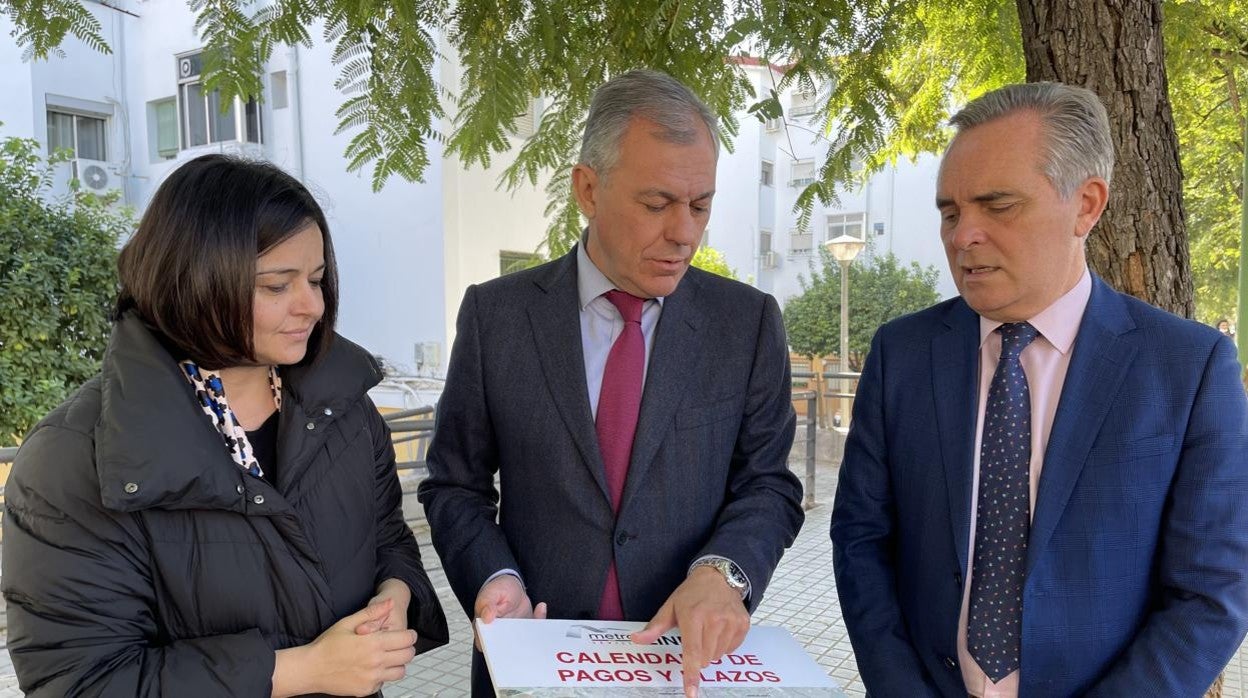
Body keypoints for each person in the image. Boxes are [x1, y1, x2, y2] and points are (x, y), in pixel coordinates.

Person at [830, 81, 1248, 697]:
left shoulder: (1188, 367)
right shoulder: (904, 354)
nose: (962, 235)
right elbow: (861, 539)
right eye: (950, 212)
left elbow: (1211, 595)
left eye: (997, 206)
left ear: (1086, 205)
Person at [418, 69, 804, 697]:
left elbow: (767, 485)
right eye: (656, 204)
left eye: (700, 206)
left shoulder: (747, 323)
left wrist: (724, 572)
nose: (683, 232)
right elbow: (454, 485)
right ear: (588, 189)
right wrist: (495, 580)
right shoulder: (498, 317)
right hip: (532, 666)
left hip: (684, 672)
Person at [1, 154, 449, 697]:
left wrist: (397, 593)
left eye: (316, 278)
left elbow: (389, 539)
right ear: (193, 282)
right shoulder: (76, 458)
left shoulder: (344, 408)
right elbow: (80, 680)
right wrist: (300, 671)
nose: (312, 305)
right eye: (276, 286)